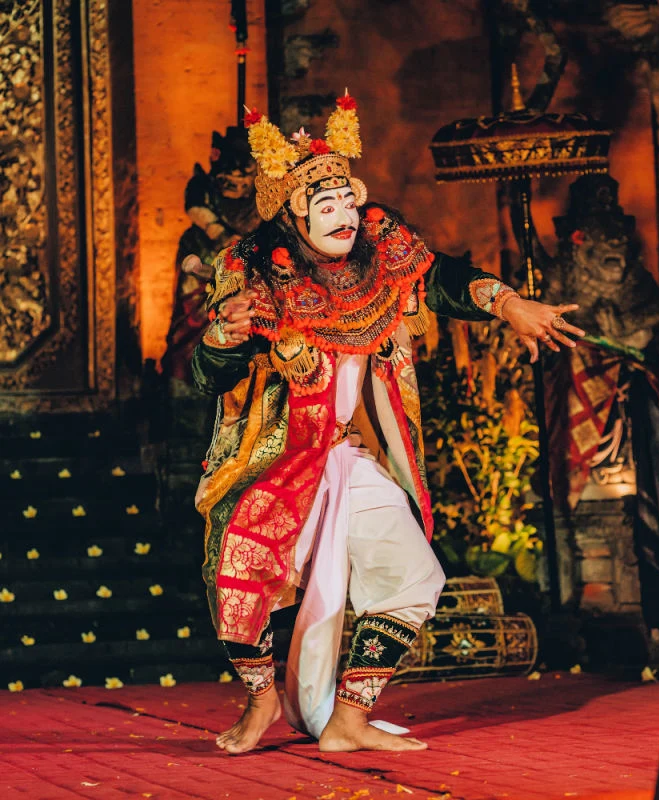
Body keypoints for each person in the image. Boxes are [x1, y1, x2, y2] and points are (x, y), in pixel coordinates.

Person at [190, 91, 584, 755]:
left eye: (349, 201)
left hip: (351, 455)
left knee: (414, 578)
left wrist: (509, 303)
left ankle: (348, 720)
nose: (345, 216)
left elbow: (448, 279)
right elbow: (211, 373)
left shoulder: (381, 253)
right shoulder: (256, 270)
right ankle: (262, 702)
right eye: (326, 205)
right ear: (292, 212)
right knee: (241, 579)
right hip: (280, 457)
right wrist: (225, 342)